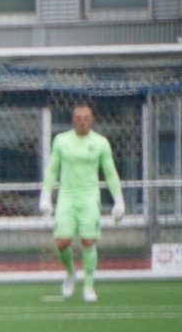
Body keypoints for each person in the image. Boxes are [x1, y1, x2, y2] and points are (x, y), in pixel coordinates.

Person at [38, 103, 125, 303]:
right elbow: (52, 169)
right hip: (67, 196)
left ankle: (89, 285)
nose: (82, 122)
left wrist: (119, 200)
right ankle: (70, 273)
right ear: (73, 120)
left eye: (86, 118)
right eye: (79, 118)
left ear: (91, 120)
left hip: (89, 197)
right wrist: (45, 195)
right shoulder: (61, 141)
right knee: (62, 242)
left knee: (88, 240)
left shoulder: (100, 143)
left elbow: (110, 172)